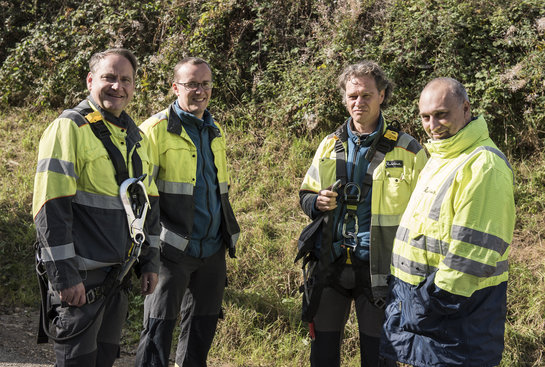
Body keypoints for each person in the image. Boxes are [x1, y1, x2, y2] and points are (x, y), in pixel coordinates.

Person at [32, 48, 160, 367]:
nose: (118, 86)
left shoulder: (137, 138)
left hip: (117, 279)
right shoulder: (69, 128)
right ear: (91, 80)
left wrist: (150, 263)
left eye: (125, 80)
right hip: (80, 282)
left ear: (134, 87)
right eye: (109, 78)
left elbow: (148, 206)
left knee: (103, 360)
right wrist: (64, 276)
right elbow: (50, 207)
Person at [297, 61, 428, 367]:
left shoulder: (409, 151)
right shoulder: (329, 144)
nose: (359, 102)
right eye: (352, 95)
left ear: (382, 95)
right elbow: (305, 194)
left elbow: (427, 215)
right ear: (344, 98)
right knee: (323, 356)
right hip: (330, 265)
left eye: (367, 95)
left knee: (379, 357)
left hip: (382, 272)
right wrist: (316, 203)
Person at [380, 78, 516, 366]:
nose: (433, 125)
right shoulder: (440, 157)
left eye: (442, 114)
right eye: (426, 117)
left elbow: (471, 255)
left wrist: (427, 304)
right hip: (427, 310)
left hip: (456, 317)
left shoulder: (483, 165)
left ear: (466, 109)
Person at [135, 57, 240, 367]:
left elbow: (217, 190)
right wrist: (148, 252)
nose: (200, 91)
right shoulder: (153, 131)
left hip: (212, 251)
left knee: (199, 337)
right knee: (156, 334)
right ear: (175, 87)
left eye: (205, 84)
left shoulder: (214, 129)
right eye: (192, 84)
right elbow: (139, 198)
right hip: (170, 251)